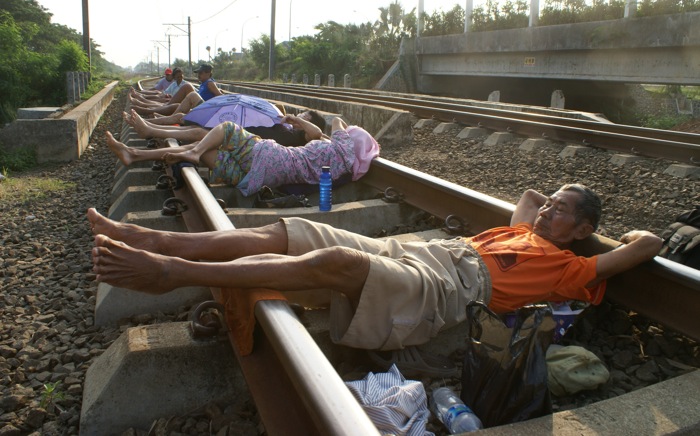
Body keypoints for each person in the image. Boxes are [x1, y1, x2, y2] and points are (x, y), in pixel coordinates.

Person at [88, 183, 662, 351]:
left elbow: (646, 244)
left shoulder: (571, 269)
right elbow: (531, 196)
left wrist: (605, 238)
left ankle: (171, 272)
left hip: (448, 289)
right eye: (553, 207)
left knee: (335, 260)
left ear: (583, 232)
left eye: (564, 214)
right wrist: (554, 205)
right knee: (296, 231)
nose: (548, 214)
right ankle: (154, 239)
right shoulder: (526, 227)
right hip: (423, 251)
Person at [106, 115, 379, 195]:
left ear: (353, 141)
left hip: (270, 156)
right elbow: (316, 132)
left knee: (225, 128)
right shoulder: (341, 161)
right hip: (255, 179)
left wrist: (345, 127)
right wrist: (299, 120)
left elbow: (336, 120)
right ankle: (134, 154)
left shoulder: (340, 144)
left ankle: (192, 152)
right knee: (206, 151)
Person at [122, 108, 326, 147]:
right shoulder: (288, 126)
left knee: (202, 133)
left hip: (251, 144)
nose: (298, 117)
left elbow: (317, 133)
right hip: (245, 132)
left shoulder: (304, 137)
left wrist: (296, 120)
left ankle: (150, 129)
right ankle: (149, 126)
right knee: (199, 128)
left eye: (304, 117)